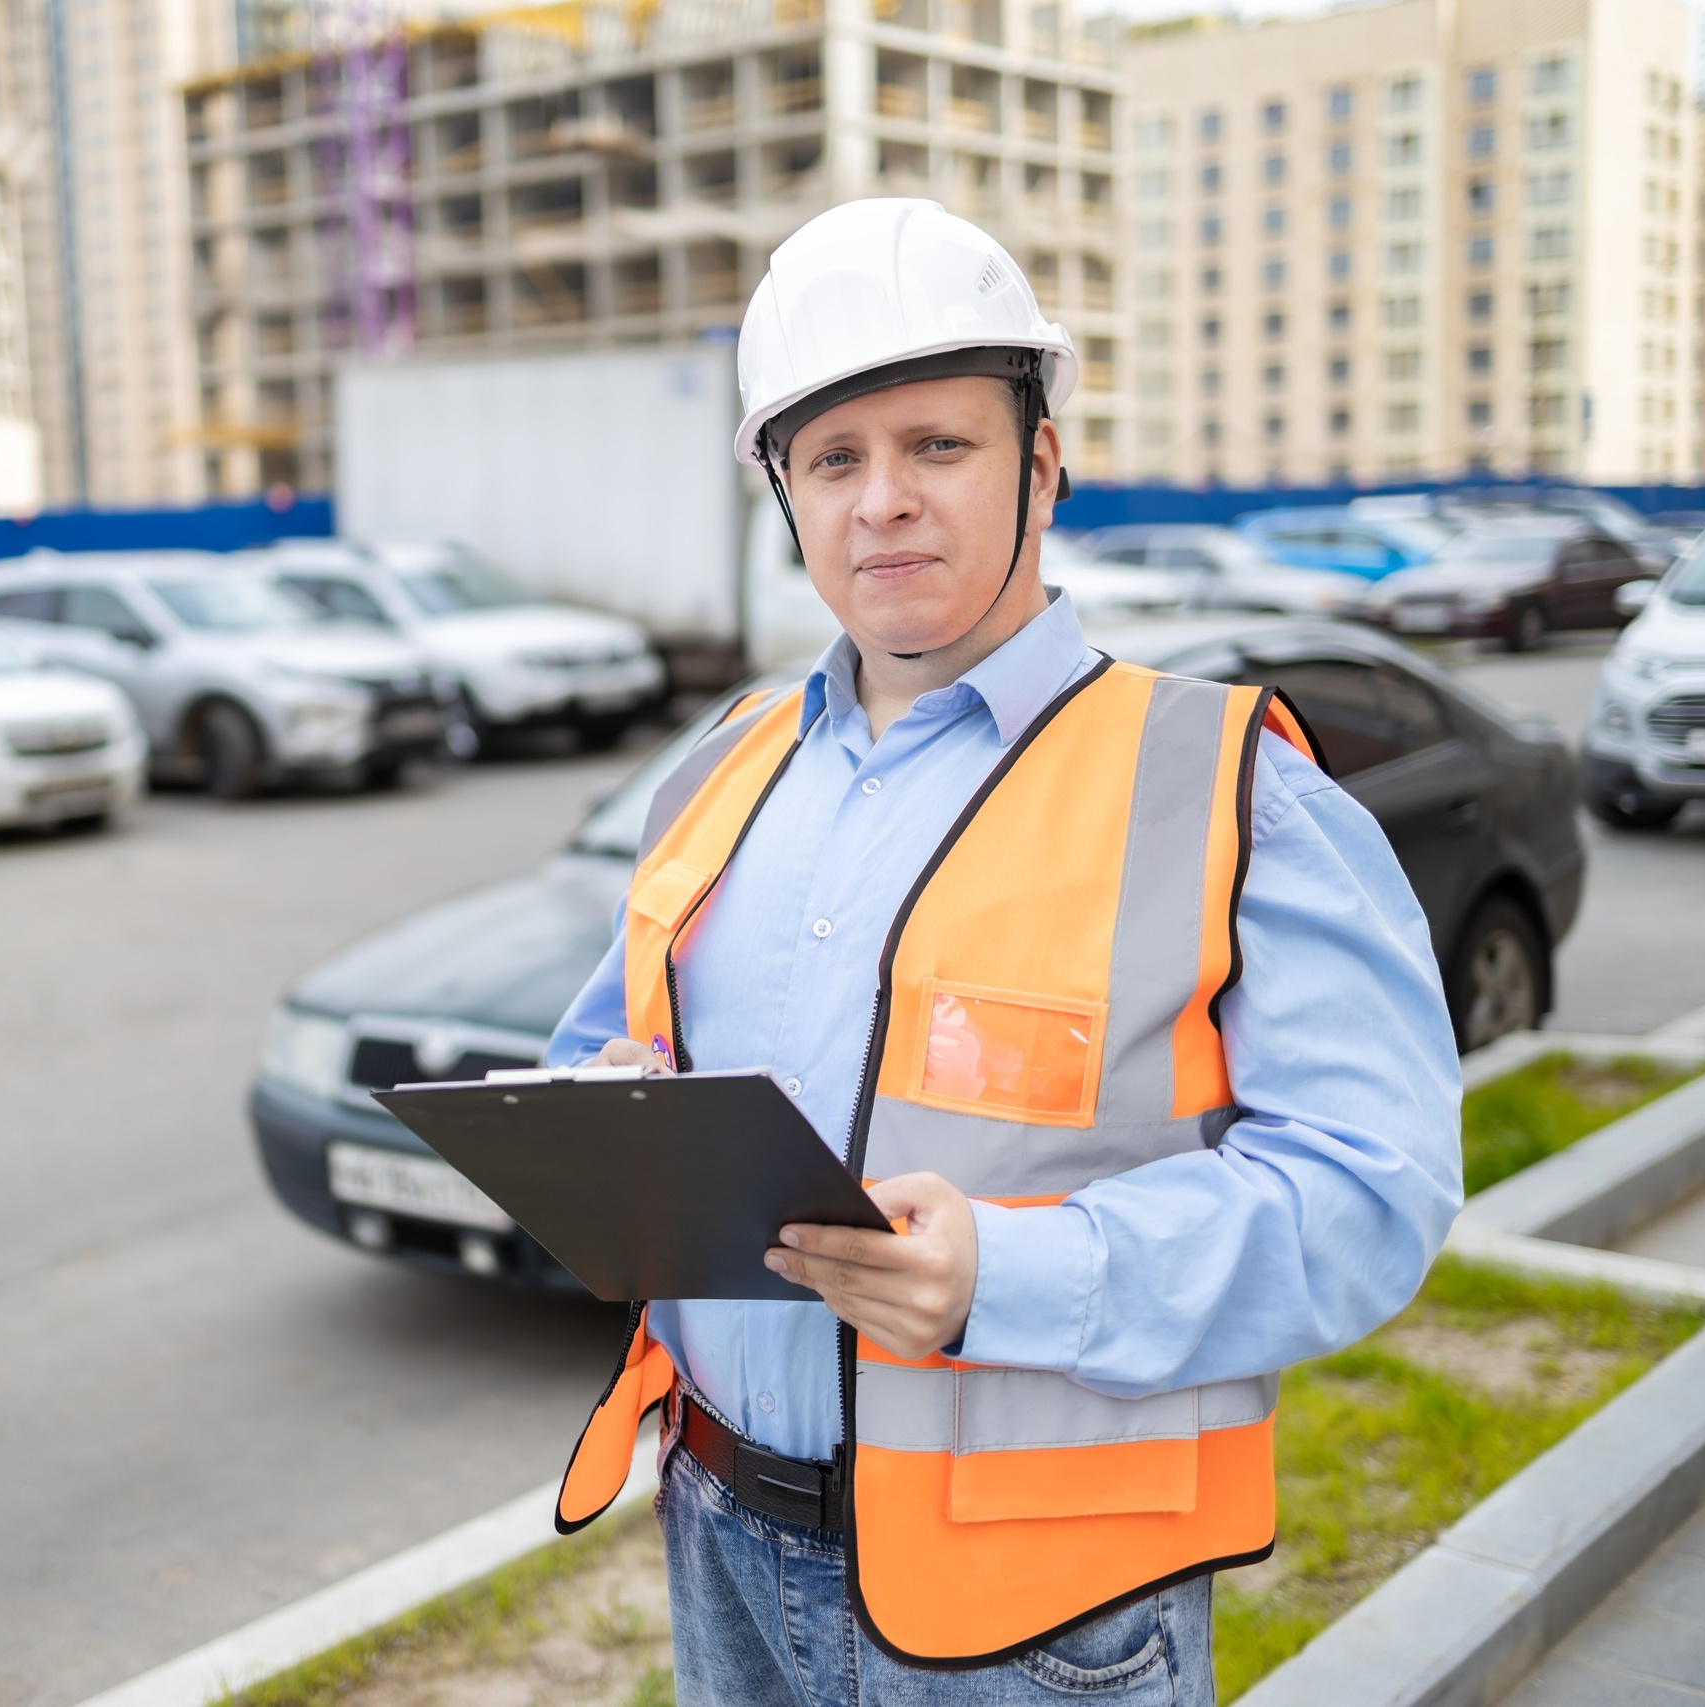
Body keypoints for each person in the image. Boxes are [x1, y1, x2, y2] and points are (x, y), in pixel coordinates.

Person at [542, 199, 1463, 1706]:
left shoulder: (1224, 785)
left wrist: (1011, 1274)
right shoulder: (720, 768)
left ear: (1041, 464)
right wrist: (591, 1133)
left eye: (938, 446)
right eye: (833, 460)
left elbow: (1374, 1196)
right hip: (719, 1536)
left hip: (1042, 1623)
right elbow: (610, 1054)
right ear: (785, 497)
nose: (884, 502)